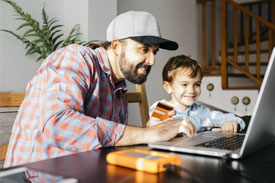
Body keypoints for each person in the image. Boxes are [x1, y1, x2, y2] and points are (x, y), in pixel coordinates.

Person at [4, 11, 196, 182]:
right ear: (116, 46)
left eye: (154, 52)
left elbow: (109, 144)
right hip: (30, 177)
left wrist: (149, 134)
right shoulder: (75, 58)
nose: (152, 60)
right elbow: (56, 125)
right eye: (144, 49)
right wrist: (144, 134)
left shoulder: (119, 88)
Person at [148, 55, 245, 133]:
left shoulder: (200, 110)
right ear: (168, 87)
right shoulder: (162, 107)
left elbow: (233, 119)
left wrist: (231, 123)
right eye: (184, 84)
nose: (191, 90)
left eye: (197, 84)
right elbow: (180, 125)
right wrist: (210, 124)